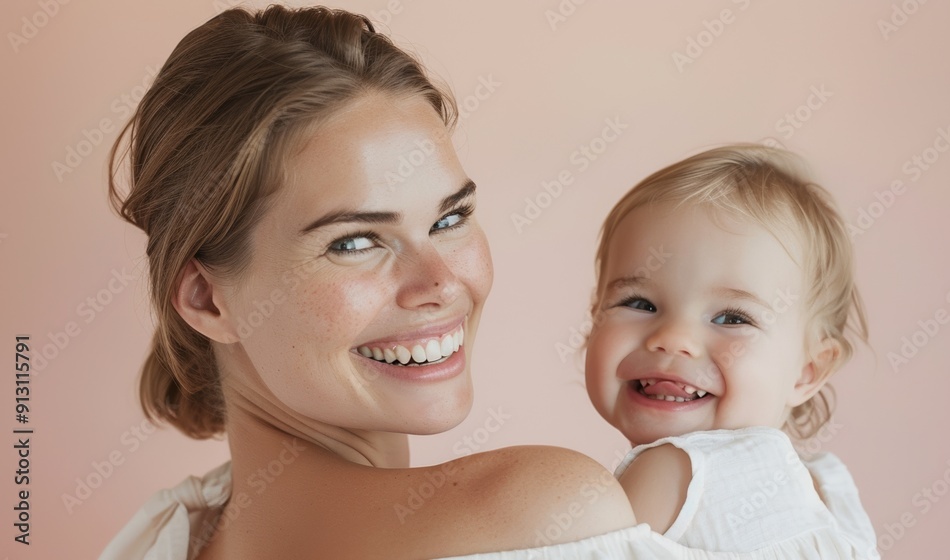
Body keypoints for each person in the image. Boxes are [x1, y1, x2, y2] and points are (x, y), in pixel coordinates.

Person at [98, 5, 682, 559]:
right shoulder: (544, 513)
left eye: (449, 219)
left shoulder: (166, 539)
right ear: (206, 299)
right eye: (354, 242)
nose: (440, 282)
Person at [583, 144, 880, 558]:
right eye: (639, 303)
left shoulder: (673, 469)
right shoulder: (831, 489)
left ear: (807, 371)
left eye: (731, 318)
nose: (673, 338)